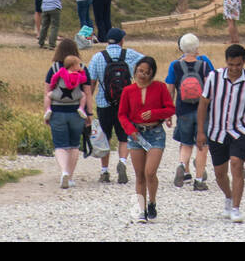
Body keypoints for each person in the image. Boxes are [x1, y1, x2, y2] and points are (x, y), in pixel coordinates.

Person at [195, 44, 245, 224]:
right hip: (216, 131)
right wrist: (200, 131)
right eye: (231, 65)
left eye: (238, 65)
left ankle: (236, 207)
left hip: (239, 130)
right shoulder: (214, 77)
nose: (234, 69)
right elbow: (203, 104)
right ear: (226, 62)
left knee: (236, 164)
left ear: (244, 62)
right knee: (219, 173)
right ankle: (228, 197)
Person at [118, 56, 175, 222]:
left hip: (155, 133)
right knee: (139, 175)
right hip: (136, 134)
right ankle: (141, 210)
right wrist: (130, 129)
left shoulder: (160, 87)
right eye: (140, 71)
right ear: (135, 70)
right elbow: (122, 114)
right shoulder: (128, 91)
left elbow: (170, 108)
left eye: (147, 72)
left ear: (152, 74)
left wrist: (155, 113)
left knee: (150, 172)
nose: (142, 75)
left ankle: (152, 201)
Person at [86, 28, 143, 184]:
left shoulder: (98, 57)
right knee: (124, 136)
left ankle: (104, 171)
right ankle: (122, 162)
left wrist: (87, 102)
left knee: (105, 136)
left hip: (104, 103)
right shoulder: (129, 55)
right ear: (121, 41)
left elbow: (91, 82)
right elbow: (147, 63)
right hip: (126, 103)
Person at [165, 34, 215, 191]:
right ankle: (199, 180)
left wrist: (168, 113)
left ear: (181, 48)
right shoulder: (205, 64)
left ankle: (182, 165)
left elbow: (170, 89)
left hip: (183, 110)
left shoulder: (175, 65)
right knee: (202, 146)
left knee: (186, 144)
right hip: (202, 111)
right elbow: (210, 89)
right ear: (197, 47)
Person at [44, 39, 92, 189]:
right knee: (74, 145)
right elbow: (88, 93)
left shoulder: (54, 68)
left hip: (57, 111)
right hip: (77, 111)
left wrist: (47, 111)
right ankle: (70, 177)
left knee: (60, 146)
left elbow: (47, 92)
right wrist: (89, 113)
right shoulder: (82, 68)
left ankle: (63, 171)